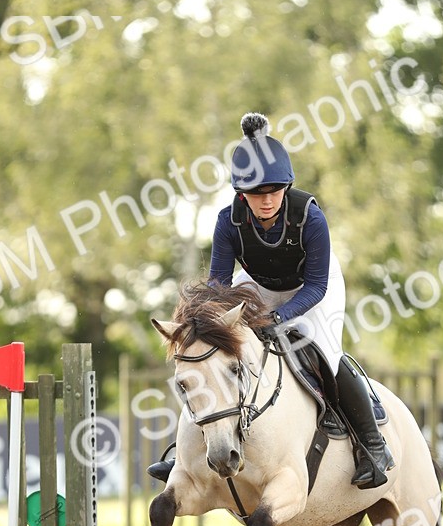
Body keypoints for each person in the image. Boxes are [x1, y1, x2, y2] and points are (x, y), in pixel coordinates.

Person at [148, 112, 394, 488]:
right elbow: (218, 284)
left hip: (312, 286)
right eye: (256, 194)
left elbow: (316, 285)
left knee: (325, 351)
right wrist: (209, 325)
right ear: (241, 193)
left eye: (275, 191)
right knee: (216, 358)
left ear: (287, 187)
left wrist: (281, 316)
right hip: (256, 286)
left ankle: (374, 447)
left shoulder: (310, 218)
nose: (266, 201)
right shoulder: (227, 221)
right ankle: (187, 453)